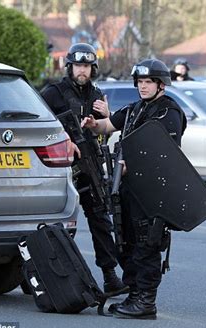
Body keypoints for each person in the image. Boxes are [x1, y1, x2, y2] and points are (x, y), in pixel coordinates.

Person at [81, 58, 187, 320]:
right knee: (125, 241)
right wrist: (94, 125)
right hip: (127, 189)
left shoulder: (168, 112)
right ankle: (134, 295)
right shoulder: (134, 109)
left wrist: (133, 164)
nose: (143, 86)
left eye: (148, 82)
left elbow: (165, 153)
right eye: (140, 82)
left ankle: (146, 301)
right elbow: (109, 124)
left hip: (152, 191)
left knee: (146, 243)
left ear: (161, 84)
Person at [40, 43, 128, 297]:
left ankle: (110, 276)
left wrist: (105, 115)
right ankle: (44, 275)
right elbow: (36, 124)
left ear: (93, 69)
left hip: (90, 163)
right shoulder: (53, 93)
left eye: (87, 66)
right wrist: (62, 137)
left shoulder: (97, 94)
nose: (82, 70)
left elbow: (105, 130)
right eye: (78, 65)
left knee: (101, 220)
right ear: (69, 67)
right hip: (60, 166)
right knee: (58, 223)